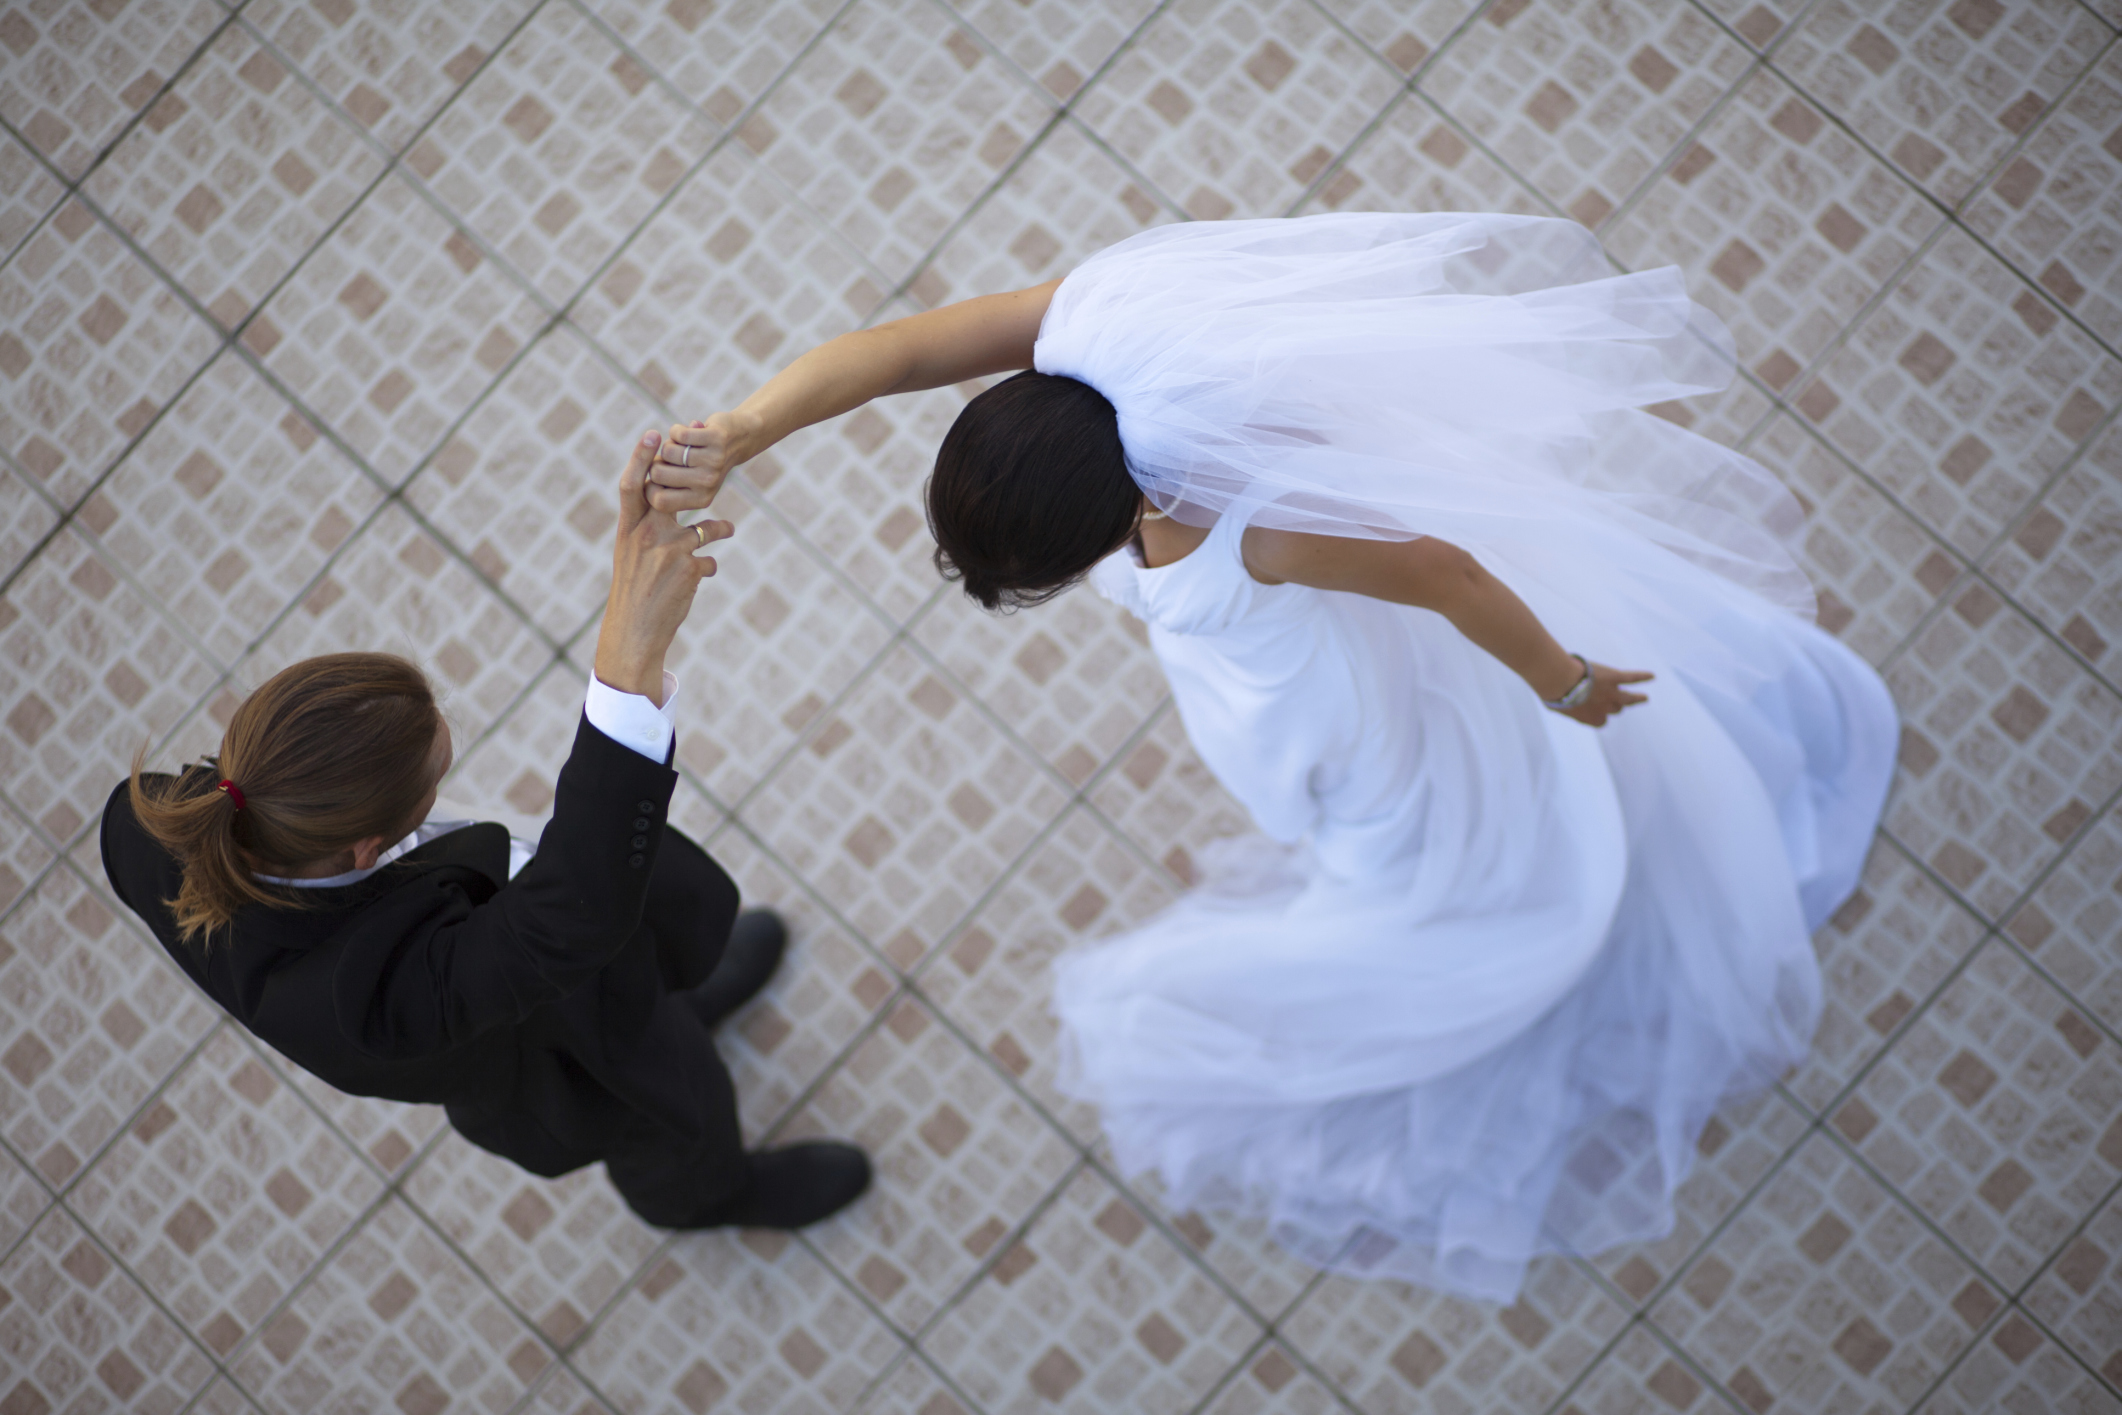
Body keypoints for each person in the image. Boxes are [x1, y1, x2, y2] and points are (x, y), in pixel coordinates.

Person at [645, 213, 1898, 1300]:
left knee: (1397, 821)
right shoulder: (1088, 349)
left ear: (1120, 518)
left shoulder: (1252, 533)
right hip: (1254, 672)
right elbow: (897, 353)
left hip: (1322, 703)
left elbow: (1442, 571)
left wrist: (1558, 682)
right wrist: (743, 429)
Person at [101, 430, 870, 1231]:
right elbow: (571, 909)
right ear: (368, 849)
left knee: (650, 991)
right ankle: (703, 1196)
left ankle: (675, 995)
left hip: (560, 970)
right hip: (558, 1053)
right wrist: (626, 661)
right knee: (678, 1103)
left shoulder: (153, 816)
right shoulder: (380, 1002)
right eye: (432, 784)